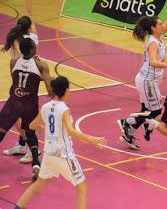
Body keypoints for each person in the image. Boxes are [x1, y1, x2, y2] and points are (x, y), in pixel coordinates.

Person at [14, 76, 107, 209]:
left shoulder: (46, 107)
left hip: (48, 155)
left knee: (38, 185)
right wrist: (90, 138)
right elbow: (70, 131)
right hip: (64, 156)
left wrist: (45, 125)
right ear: (67, 91)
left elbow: (32, 126)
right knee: (81, 187)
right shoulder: (64, 109)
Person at [117, 0, 167, 149]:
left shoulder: (159, 35)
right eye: (160, 24)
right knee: (155, 112)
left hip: (149, 80)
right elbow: (154, 62)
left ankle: (129, 132)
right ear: (154, 28)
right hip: (147, 80)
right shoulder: (153, 43)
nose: (163, 25)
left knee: (146, 109)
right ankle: (126, 123)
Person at [0, 38, 53, 180]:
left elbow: (16, 79)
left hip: (14, 102)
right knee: (30, 134)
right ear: (32, 50)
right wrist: (47, 78)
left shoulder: (13, 62)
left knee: (1, 131)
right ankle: (36, 164)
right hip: (30, 104)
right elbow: (50, 91)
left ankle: (32, 159)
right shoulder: (41, 65)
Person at [2, 0, 40, 164]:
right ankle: (23, 144)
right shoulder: (32, 37)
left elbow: (14, 63)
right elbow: (29, 14)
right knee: (22, 117)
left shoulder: (17, 42)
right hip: (28, 81)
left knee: (22, 117)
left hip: (22, 83)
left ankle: (29, 149)